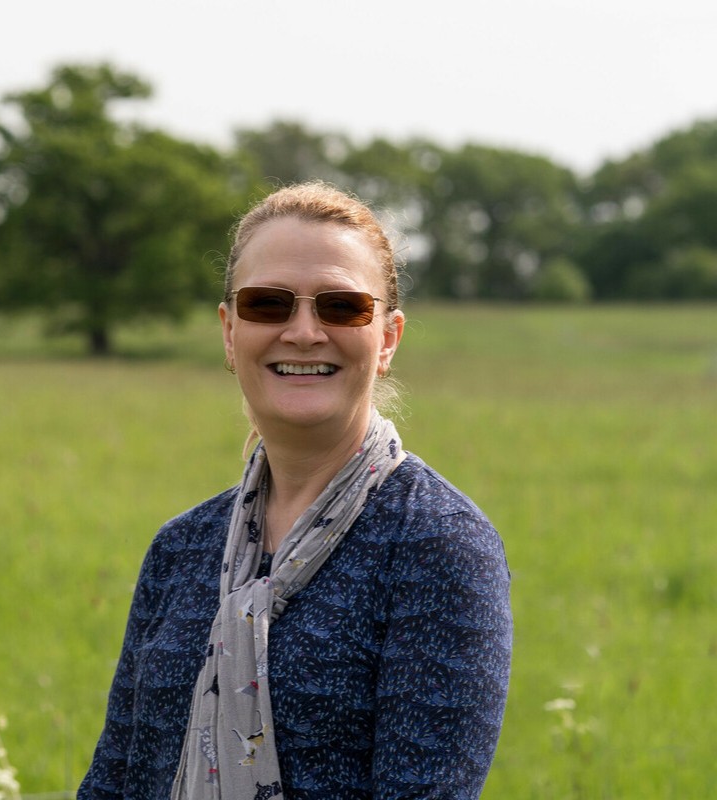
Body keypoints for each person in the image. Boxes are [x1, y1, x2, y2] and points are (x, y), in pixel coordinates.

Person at [78, 182, 512, 800]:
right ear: (230, 332)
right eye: (268, 304)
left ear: (386, 338)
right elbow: (113, 782)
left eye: (341, 307)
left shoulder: (437, 544)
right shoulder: (180, 549)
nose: (304, 332)